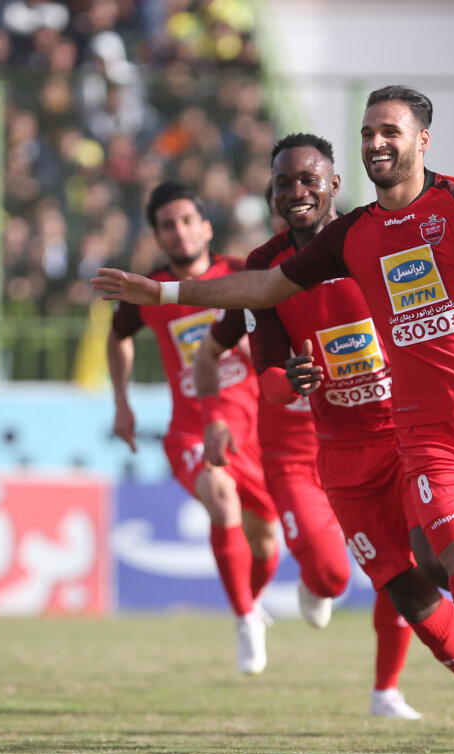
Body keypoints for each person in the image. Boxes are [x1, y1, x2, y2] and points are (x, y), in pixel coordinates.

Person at [92, 84, 454, 749]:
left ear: (417, 142)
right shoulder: (329, 246)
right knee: (422, 577)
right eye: (368, 133)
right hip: (394, 441)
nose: (376, 144)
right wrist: (169, 297)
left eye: (389, 132)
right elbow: (260, 309)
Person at [193, 181, 420, 719]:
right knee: (333, 575)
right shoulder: (265, 285)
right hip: (295, 455)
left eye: (309, 185)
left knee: (405, 568)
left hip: (379, 442)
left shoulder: (370, 258)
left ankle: (386, 691)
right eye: (285, 191)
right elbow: (208, 355)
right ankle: (315, 582)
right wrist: (218, 416)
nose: (298, 200)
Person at [105, 180, 281, 676]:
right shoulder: (148, 291)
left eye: (187, 220)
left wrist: (258, 348)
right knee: (221, 499)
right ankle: (245, 619)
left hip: (256, 433)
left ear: (206, 228)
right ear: (158, 238)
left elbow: (284, 321)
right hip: (194, 430)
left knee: (266, 542)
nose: (179, 231)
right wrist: (121, 402)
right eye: (168, 225)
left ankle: (251, 604)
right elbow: (118, 337)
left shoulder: (244, 274)